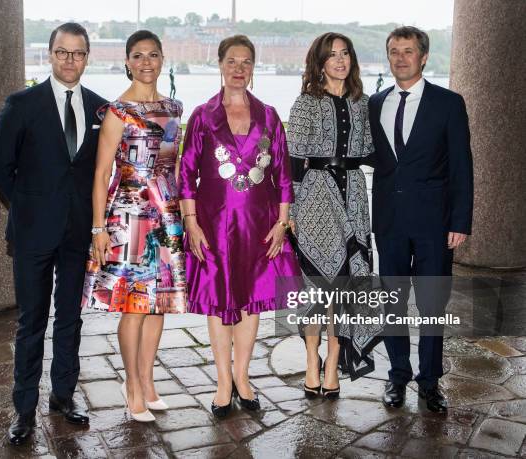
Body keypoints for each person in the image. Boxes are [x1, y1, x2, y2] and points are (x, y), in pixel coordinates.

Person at [0, 23, 107, 444]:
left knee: (71, 319)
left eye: (78, 53)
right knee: (32, 322)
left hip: (78, 233)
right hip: (33, 233)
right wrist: (31, 208)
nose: (70, 60)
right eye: (63, 52)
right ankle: (23, 410)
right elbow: (0, 170)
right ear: (50, 54)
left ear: (87, 56)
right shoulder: (22, 104)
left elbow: (99, 173)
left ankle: (63, 395)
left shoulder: (100, 109)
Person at [179, 35, 301, 418]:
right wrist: (191, 223)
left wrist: (283, 222)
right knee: (219, 303)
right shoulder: (202, 115)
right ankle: (221, 383)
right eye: (231, 61)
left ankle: (243, 379)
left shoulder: (269, 115)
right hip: (213, 225)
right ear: (219, 65)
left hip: (260, 225)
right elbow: (185, 175)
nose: (238, 68)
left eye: (246, 62)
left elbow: (283, 174)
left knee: (251, 303)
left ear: (253, 68)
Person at [82, 30, 187, 423]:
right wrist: (98, 228)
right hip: (128, 214)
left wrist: (182, 218)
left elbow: (175, 165)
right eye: (138, 56)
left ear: (162, 59)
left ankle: (148, 380)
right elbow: (101, 172)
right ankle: (131, 385)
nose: (146, 62)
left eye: (153, 55)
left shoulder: (175, 108)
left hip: (167, 213)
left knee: (158, 303)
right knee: (133, 304)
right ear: (127, 62)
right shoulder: (116, 111)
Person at [368, 26, 473, 413]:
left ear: (424, 57)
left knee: (432, 304)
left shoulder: (448, 103)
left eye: (408, 51)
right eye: (394, 51)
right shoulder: (375, 103)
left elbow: (462, 165)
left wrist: (460, 221)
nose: (400, 58)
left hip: (435, 224)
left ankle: (429, 381)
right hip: (390, 222)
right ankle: (398, 376)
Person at [287, 32, 381, 400]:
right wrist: (290, 211)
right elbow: (292, 162)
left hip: (355, 196)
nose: (339, 60)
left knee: (346, 286)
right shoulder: (306, 103)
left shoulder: (364, 103)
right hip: (314, 198)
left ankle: (334, 361)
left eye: (345, 54)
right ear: (320, 62)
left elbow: (378, 152)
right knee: (315, 289)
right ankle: (312, 358)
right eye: (332, 55)